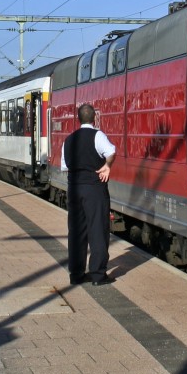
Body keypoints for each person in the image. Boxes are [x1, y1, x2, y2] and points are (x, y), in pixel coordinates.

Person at [61, 103, 117, 286]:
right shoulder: (98, 135)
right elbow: (111, 151)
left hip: (74, 189)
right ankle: (98, 275)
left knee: (76, 232)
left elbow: (64, 167)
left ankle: (76, 275)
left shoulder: (69, 140)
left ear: (78, 119)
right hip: (94, 188)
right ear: (94, 118)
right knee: (98, 230)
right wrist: (107, 166)